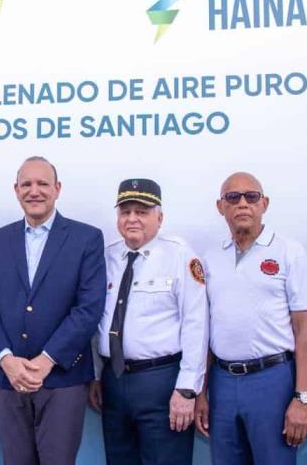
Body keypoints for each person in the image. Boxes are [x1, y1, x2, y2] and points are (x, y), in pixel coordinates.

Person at [0, 156, 106, 465]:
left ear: (57, 189)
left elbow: (89, 308)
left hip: (63, 378)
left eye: (42, 183)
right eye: (26, 184)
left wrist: (48, 360)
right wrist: (6, 359)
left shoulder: (86, 238)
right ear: (16, 190)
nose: (34, 191)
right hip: (9, 379)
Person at [195, 171, 307, 464]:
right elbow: (205, 331)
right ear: (220, 206)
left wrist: (302, 398)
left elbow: (305, 330)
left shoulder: (289, 251)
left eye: (251, 196)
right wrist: (200, 393)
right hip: (222, 382)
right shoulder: (210, 259)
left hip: (272, 380)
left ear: (265, 203)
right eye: (232, 197)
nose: (242, 204)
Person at [88, 178, 208, 465]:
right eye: (125, 211)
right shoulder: (107, 257)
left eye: (141, 211)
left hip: (161, 383)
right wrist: (96, 375)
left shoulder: (180, 256)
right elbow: (97, 321)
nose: (132, 218)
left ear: (160, 217)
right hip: (114, 381)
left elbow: (196, 325)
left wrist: (187, 389)